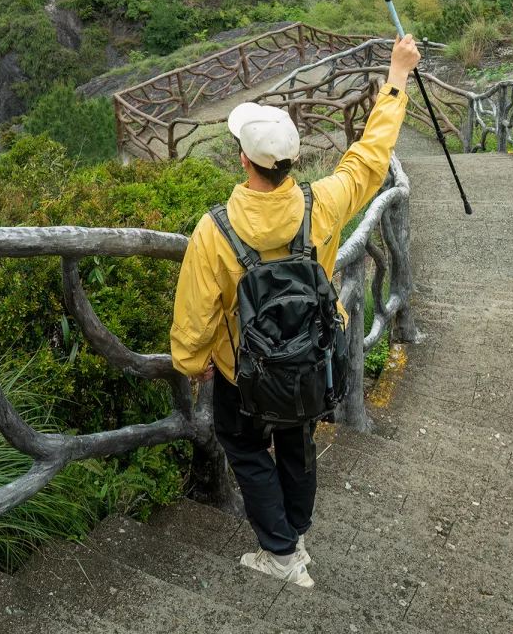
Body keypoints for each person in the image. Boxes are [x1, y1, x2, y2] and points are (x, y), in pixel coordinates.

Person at [170, 32, 421, 590]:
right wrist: (397, 77)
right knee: (296, 441)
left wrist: (193, 364)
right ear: (293, 160)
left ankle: (281, 554)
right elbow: (370, 157)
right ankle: (296, 536)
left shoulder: (214, 231)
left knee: (245, 448)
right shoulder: (323, 204)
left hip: (245, 373)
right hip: (310, 362)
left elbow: (193, 321)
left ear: (244, 159)